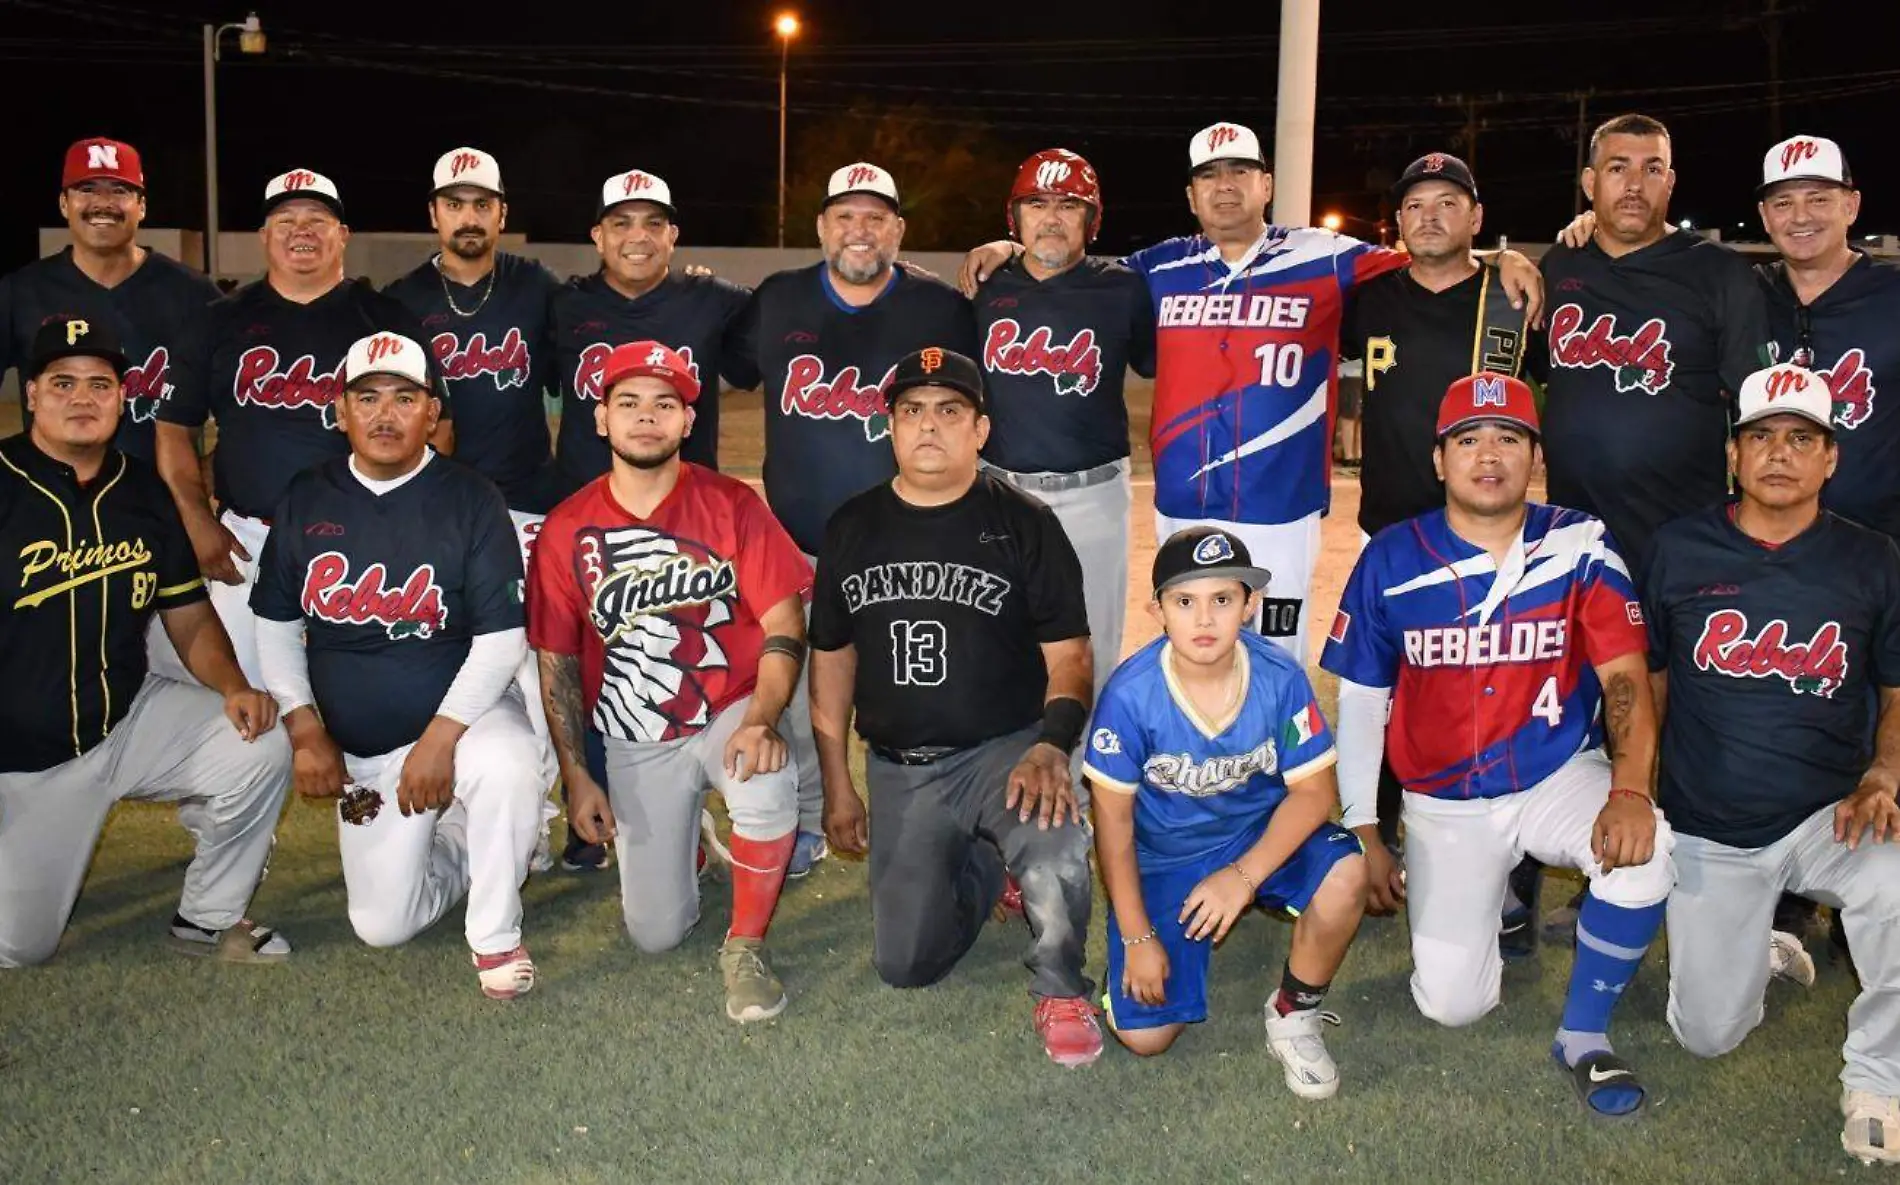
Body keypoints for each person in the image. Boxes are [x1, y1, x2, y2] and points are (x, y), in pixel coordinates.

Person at [960, 122, 1543, 662]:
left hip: (1281, 505)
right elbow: (1067, 265)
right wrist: (1007, 247)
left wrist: (1503, 258)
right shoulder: (1155, 268)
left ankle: (1275, 773)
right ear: (1191, 196)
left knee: (1278, 654)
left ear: (1266, 184)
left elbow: (1433, 253)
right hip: (1184, 503)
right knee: (1193, 649)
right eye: (1209, 175)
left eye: (1240, 171)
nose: (1225, 186)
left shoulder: (1326, 254)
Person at [1320, 372, 1675, 1118]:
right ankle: (1503, 891)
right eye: (1469, 439)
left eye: (1509, 438)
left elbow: (1624, 679)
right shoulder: (1391, 555)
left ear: (1535, 458)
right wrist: (1361, 829)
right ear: (1439, 459)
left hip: (1553, 771)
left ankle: (1583, 1033)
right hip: (1445, 798)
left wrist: (1632, 789)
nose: (1489, 454)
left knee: (1645, 856)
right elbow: (1361, 701)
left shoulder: (1579, 539)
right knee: (1452, 1004)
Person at [808, 346, 1101, 1067]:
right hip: (901, 767)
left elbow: (1071, 656)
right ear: (891, 427)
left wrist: (1051, 745)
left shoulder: (1025, 522)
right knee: (905, 964)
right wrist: (838, 782)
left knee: (1057, 843)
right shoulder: (852, 525)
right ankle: (978, 869)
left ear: (980, 429)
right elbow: (833, 658)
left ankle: (1061, 986)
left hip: (1008, 750)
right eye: (912, 411)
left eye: (949, 411)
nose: (928, 427)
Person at [1642, 362, 1900, 1165]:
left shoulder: (1873, 559)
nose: (1779, 454)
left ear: (1831, 459)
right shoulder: (1680, 548)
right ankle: (1756, 944)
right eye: (1761, 437)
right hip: (1712, 821)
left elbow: (1896, 689)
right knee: (1707, 1035)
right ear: (1733, 454)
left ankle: (1880, 1075)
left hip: (1831, 815)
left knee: (1898, 879)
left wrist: (1885, 772)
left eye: (1801, 438)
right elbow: (1645, 686)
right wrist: (1638, 792)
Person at [250, 331, 548, 999]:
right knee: (383, 923)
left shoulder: (471, 497)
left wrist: (440, 740)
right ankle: (473, 843)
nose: (385, 415)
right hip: (365, 755)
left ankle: (496, 933)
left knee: (505, 763)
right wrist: (303, 727)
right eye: (368, 397)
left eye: (405, 398)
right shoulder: (307, 494)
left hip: (463, 725)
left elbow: (503, 639)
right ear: (340, 411)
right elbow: (275, 621)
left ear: (432, 414)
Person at [527, 341, 811, 1022]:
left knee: (764, 776)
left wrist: (763, 717)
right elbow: (558, 661)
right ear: (599, 420)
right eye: (628, 403)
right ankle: (692, 846)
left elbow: (784, 620)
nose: (646, 418)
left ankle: (745, 944)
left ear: (688, 421)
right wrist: (578, 775)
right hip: (634, 734)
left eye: (665, 404)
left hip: (727, 708)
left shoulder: (732, 504)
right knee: (654, 933)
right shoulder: (567, 527)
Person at [0, 317, 291, 968]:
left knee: (262, 741)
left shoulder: (141, 489)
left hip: (127, 721)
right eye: (63, 382)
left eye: (99, 384)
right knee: (19, 946)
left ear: (121, 397)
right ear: (34, 397)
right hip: (26, 762)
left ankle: (208, 916)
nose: (82, 398)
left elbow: (187, 615)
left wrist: (233, 685)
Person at [729, 162, 980, 877]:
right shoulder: (777, 301)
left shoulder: (941, 310)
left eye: (876, 217)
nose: (859, 231)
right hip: (799, 542)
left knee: (914, 682)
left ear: (899, 230)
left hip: (908, 539)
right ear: (820, 227)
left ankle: (929, 820)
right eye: (845, 216)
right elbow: (728, 363)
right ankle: (809, 816)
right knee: (805, 682)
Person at [1085, 526, 1367, 1097]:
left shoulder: (1279, 677)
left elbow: (1315, 793)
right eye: (1185, 601)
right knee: (1147, 1037)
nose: (1205, 619)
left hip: (1256, 837)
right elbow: (1112, 827)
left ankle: (1294, 1010)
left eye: (1223, 599)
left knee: (1347, 871)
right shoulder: (1130, 694)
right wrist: (1138, 938)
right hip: (1166, 856)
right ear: (1158, 609)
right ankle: (1135, 964)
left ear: (1250, 604)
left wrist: (1242, 877)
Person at [155, 169, 445, 686]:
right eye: (285, 220)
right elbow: (175, 430)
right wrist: (198, 522)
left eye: (317, 219)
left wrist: (408, 525)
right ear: (264, 237)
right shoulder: (220, 320)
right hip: (250, 538)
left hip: (366, 537)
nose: (301, 230)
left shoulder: (385, 318)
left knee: (362, 687)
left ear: (343, 236)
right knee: (227, 684)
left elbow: (437, 430)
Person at [1754, 133, 1900, 979]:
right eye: (1783, 201)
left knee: (1878, 710)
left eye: (1818, 196)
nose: (1800, 214)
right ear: (1765, 215)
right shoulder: (1752, 295)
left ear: (1851, 203)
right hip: (1773, 543)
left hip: (1878, 542)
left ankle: (1866, 890)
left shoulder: (1890, 295)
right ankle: (1791, 893)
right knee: (1784, 703)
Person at [1536, 113, 1770, 576]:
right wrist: (1506, 260)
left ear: (1671, 181)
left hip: (1683, 537)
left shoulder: (1720, 272)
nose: (1635, 184)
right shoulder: (1560, 263)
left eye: (1653, 169)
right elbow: (1542, 375)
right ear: (1590, 181)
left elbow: (1756, 405)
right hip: (1575, 539)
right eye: (1618, 168)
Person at [974, 149, 1156, 702]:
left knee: (1094, 645)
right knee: (998, 642)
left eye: (1068, 205)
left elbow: (1157, 362)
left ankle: (1085, 781)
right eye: (1036, 204)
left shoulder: (1124, 288)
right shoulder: (981, 287)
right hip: (1000, 492)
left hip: (1094, 495)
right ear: (1015, 218)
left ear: (1091, 220)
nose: (1050, 217)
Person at [0, 137, 219, 463]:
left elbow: (248, 412)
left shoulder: (195, 295)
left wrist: (203, 481)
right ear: (64, 203)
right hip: (50, 503)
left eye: (119, 190)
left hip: (161, 505)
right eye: (86, 189)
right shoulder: (20, 291)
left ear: (141, 206)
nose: (103, 202)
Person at [552, 169, 752, 488]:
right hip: (585, 510)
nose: (639, 235)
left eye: (653, 223)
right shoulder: (563, 306)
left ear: (672, 237)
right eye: (621, 223)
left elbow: (782, 336)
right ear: (598, 237)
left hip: (689, 511)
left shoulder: (715, 300)